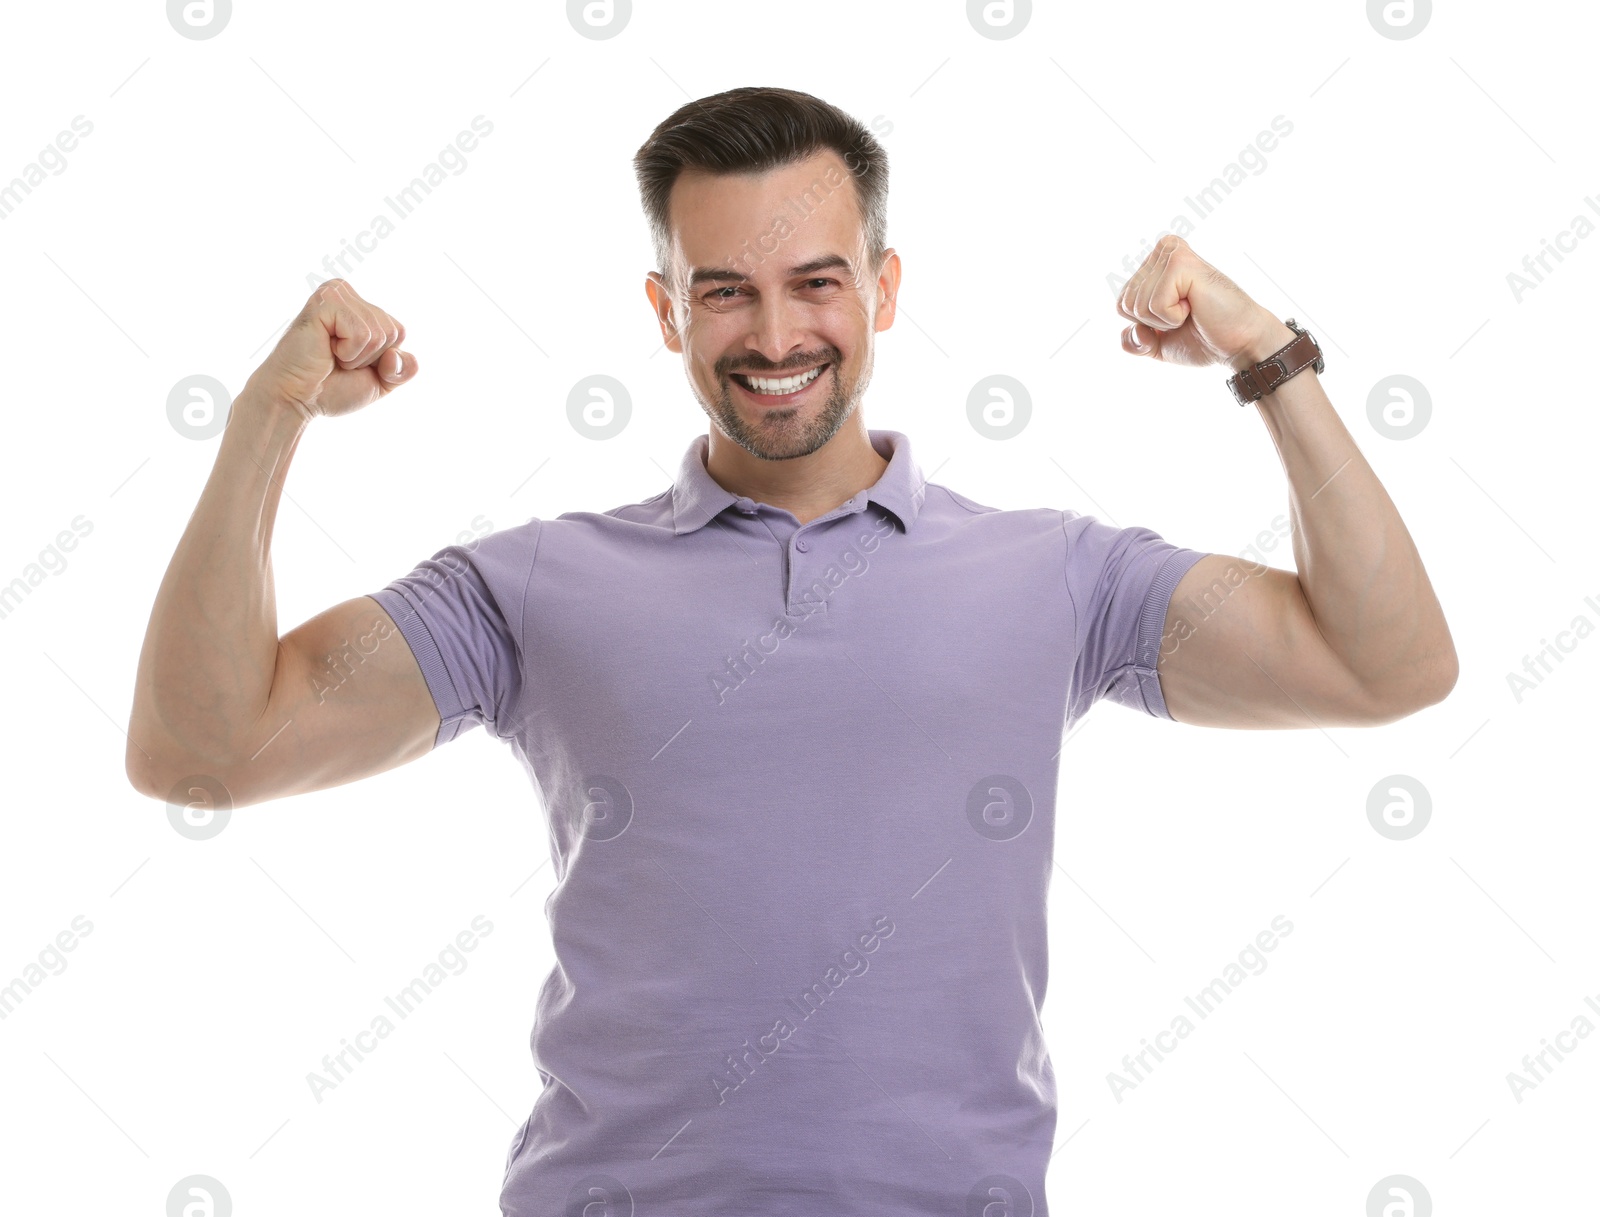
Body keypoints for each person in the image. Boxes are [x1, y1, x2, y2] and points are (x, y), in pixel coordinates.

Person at [127, 86, 1457, 1216]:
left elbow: (1385, 665)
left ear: (883, 288)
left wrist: (1265, 353)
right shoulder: (533, 585)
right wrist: (269, 411)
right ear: (666, 311)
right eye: (726, 293)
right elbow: (203, 752)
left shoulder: (1057, 574)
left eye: (817, 282)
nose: (774, 338)